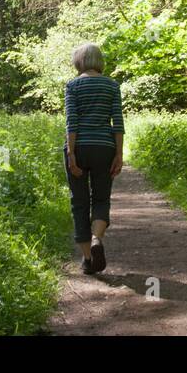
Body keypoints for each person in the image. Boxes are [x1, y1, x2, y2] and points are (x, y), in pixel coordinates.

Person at [63, 42, 124, 275]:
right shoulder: (112, 85)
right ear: (99, 61)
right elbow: (117, 122)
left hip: (80, 147)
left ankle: (88, 259)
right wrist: (119, 153)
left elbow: (72, 122)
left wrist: (71, 153)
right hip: (105, 147)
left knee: (79, 202)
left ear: (79, 61)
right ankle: (97, 238)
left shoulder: (73, 86)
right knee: (101, 198)